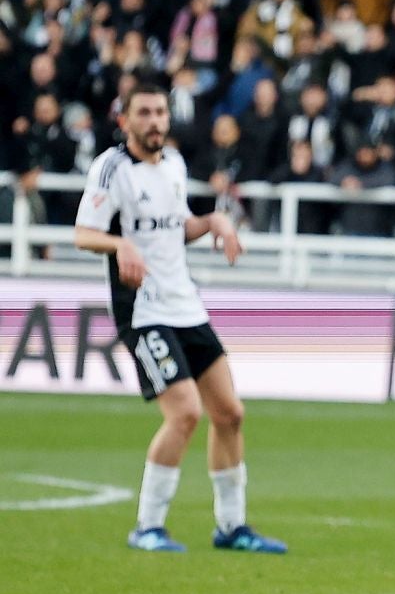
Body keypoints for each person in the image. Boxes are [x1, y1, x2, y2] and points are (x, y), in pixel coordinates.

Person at [72, 77, 285, 555]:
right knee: (186, 413)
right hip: (144, 311)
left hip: (186, 304)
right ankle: (147, 526)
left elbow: (177, 227)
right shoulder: (111, 168)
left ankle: (231, 527)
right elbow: (84, 233)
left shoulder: (173, 163)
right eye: (143, 113)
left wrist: (213, 221)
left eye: (160, 113)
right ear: (124, 119)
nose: (153, 122)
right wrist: (119, 242)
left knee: (229, 414)